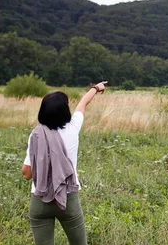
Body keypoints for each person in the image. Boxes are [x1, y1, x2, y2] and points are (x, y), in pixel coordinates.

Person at [21, 81, 107, 245]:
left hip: (40, 201)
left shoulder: (36, 135)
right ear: (65, 111)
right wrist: (96, 88)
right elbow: (83, 103)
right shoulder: (73, 128)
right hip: (68, 200)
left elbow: (26, 174)